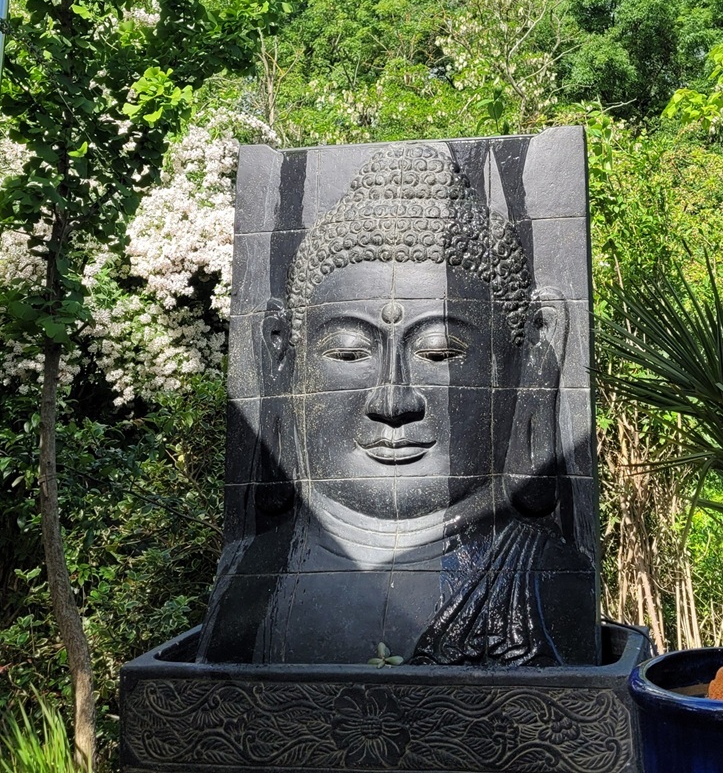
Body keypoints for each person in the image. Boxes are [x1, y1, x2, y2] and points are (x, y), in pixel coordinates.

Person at [197, 142, 596, 666]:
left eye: (439, 352)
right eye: (349, 351)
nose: (392, 399)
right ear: (282, 359)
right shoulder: (250, 577)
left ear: (529, 361)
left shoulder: (546, 582)